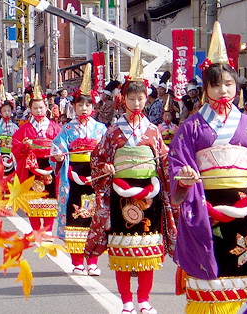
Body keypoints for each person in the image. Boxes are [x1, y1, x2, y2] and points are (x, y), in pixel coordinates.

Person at [168, 22, 247, 314]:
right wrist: (185, 178)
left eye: (228, 83)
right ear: (205, 88)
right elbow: (178, 162)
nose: (223, 90)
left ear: (236, 85)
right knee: (213, 279)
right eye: (215, 84)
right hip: (208, 207)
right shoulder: (190, 127)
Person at [85, 45, 176, 314]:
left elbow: (164, 159)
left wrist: (180, 168)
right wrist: (108, 167)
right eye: (132, 98)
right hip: (119, 194)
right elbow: (96, 159)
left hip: (149, 195)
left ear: (147, 99)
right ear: (123, 99)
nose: (137, 103)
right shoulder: (113, 131)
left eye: (142, 98)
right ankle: (126, 300)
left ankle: (144, 299)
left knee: (147, 252)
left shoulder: (153, 130)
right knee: (122, 251)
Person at [51, 64, 107, 276]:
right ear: (74, 106)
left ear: (93, 107)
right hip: (73, 175)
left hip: (95, 176)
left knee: (94, 218)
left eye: (88, 104)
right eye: (80, 104)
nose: (84, 108)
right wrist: (57, 156)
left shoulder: (101, 129)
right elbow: (57, 147)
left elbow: (105, 151)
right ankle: (76, 260)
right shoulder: (66, 129)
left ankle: (93, 260)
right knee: (76, 218)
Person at [12, 81, 62, 237]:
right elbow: (15, 144)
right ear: (30, 109)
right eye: (35, 108)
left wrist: (59, 152)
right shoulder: (25, 128)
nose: (39, 110)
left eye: (41, 107)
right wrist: (24, 146)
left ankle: (47, 230)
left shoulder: (54, 126)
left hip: (50, 164)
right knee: (32, 198)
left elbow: (62, 144)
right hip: (32, 165)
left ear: (46, 107)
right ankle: (35, 230)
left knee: (51, 197)